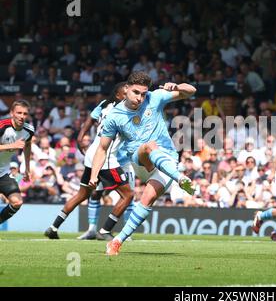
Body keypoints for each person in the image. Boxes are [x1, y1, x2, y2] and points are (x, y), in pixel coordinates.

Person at [89, 71, 196, 255]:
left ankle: (116, 241)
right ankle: (181, 178)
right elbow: (102, 148)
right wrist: (93, 175)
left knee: (147, 200)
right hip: (140, 161)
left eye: (143, 94)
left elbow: (192, 90)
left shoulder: (155, 98)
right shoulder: (114, 116)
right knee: (149, 146)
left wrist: (177, 86)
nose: (140, 98)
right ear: (127, 89)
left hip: (167, 160)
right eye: (136, 92)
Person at [44, 83, 134, 240]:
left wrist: (80, 137)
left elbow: (90, 120)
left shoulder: (105, 104)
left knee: (82, 194)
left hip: (92, 153)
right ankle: (105, 231)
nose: (132, 96)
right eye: (128, 93)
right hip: (105, 157)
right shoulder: (123, 112)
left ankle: (53, 227)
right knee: (128, 195)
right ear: (119, 96)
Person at [0, 100, 33, 224]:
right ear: (12, 113)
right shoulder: (2, 126)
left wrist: (27, 169)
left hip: (2, 173)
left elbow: (28, 146)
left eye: (25, 113)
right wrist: (12, 145)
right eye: (19, 113)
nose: (22, 116)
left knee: (17, 202)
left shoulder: (29, 130)